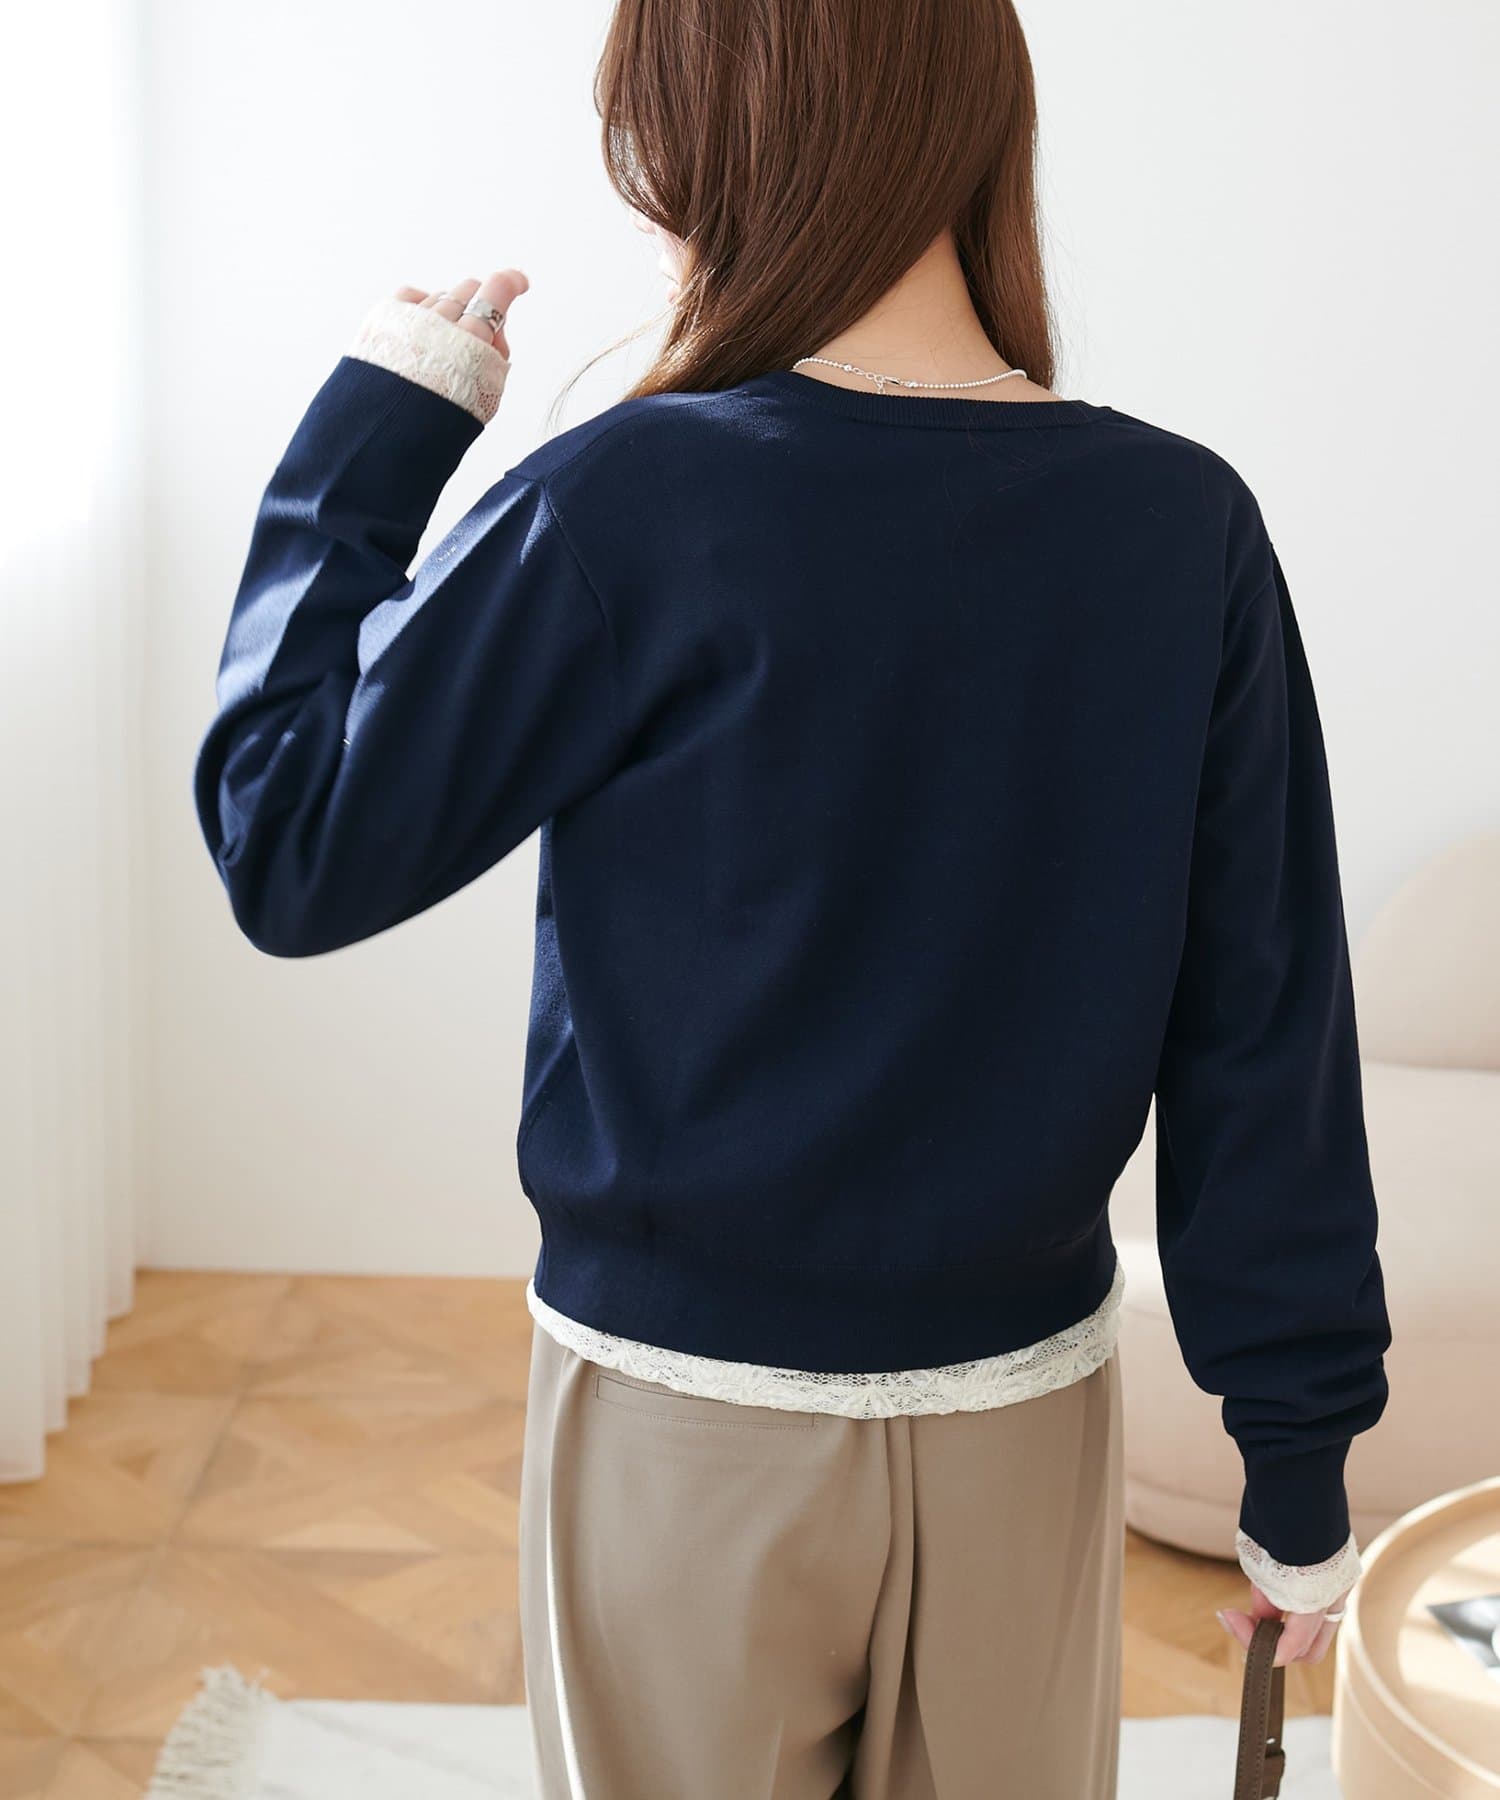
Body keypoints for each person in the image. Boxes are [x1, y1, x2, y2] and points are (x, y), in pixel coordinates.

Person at [192, 1, 1392, 1793]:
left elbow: (292, 837)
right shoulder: (1180, 522)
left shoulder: (631, 499)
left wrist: (380, 422)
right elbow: (1264, 1020)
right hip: (1022, 1415)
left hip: (680, 1420)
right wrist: (1297, 1463)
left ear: (709, 151)